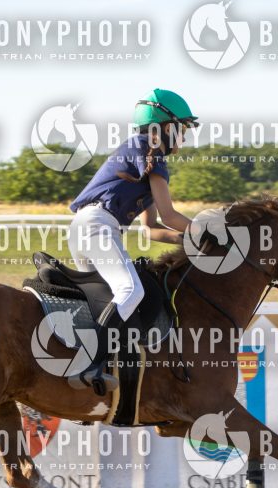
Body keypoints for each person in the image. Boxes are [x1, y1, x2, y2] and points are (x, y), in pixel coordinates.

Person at [65, 88, 198, 394]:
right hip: (98, 227)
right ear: (167, 127)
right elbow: (171, 214)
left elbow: (151, 228)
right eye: (183, 129)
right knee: (131, 290)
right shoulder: (149, 149)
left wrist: (189, 239)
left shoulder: (142, 152)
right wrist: (210, 233)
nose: (185, 136)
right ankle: (89, 365)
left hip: (86, 228)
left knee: (109, 300)